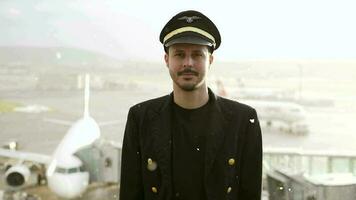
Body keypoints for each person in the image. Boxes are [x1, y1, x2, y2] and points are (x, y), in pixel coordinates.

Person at [119, 10, 262, 200]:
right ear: (167, 60)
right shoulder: (140, 118)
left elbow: (250, 194)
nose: (188, 63)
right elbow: (130, 193)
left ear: (210, 60)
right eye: (179, 54)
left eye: (197, 55)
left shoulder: (243, 120)